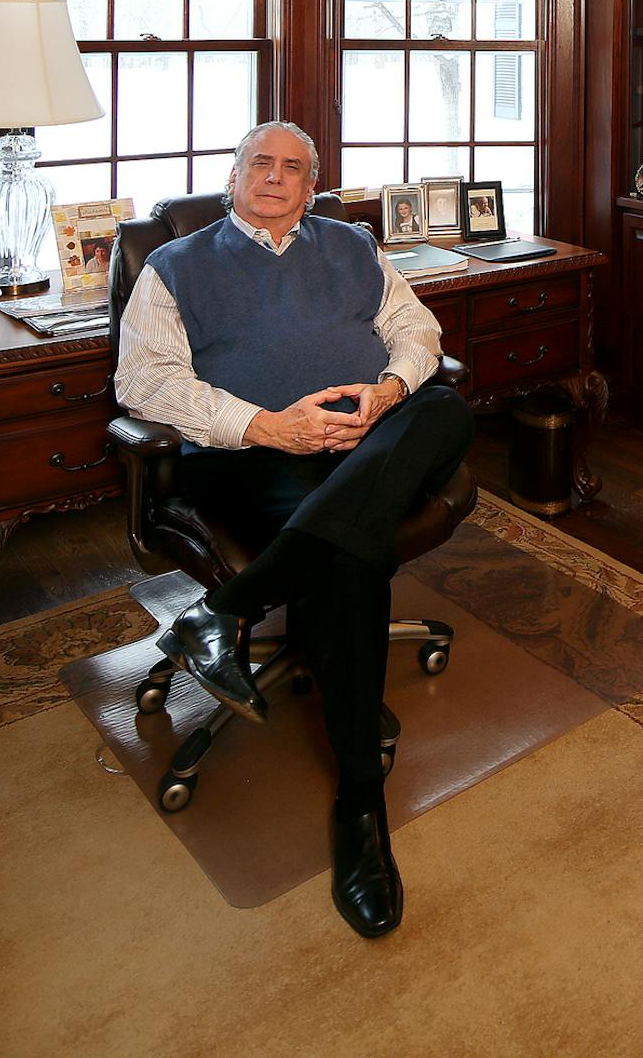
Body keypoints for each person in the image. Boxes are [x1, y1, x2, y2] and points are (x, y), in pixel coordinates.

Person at [114, 120, 472, 939]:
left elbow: (419, 333)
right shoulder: (174, 266)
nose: (276, 179)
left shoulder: (351, 245)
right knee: (354, 559)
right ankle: (361, 812)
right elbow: (143, 384)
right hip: (251, 456)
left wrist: (382, 395)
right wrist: (269, 426)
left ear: (313, 185)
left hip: (360, 439)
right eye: (260, 165)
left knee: (442, 405)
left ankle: (229, 607)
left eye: (294, 169)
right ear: (235, 175)